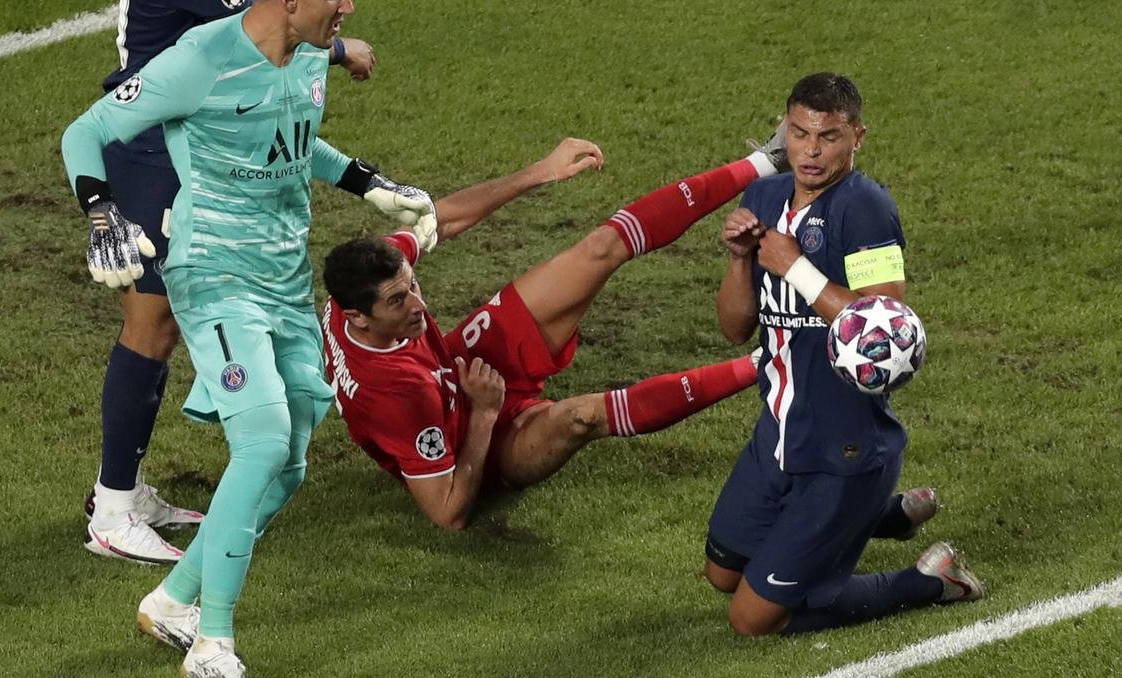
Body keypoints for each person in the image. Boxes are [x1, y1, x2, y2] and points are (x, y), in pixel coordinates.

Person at [62, 0, 434, 678]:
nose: (349, 6)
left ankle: (173, 598)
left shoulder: (303, 58)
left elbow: (295, 143)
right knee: (260, 436)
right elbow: (87, 131)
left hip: (282, 281)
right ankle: (212, 643)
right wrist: (102, 215)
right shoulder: (200, 59)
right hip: (212, 273)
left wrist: (372, 183)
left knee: (291, 456)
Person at [320, 130, 793, 530]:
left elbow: (441, 220)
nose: (420, 304)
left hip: (460, 366)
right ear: (358, 316)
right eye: (399, 301)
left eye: (414, 286)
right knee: (580, 417)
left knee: (600, 247)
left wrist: (540, 171)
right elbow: (447, 513)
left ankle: (764, 161)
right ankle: (770, 361)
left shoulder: (366, 276)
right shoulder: (395, 396)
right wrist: (485, 412)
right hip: (470, 439)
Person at [83, 0, 376, 565]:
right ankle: (113, 506)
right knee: (152, 323)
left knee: (157, 321)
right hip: (163, 141)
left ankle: (123, 493)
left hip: (160, 120)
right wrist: (339, 48)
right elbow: (269, 26)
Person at [704, 72, 983, 636]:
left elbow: (889, 329)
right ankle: (881, 515)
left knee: (753, 620)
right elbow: (736, 330)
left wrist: (795, 269)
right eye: (799, 132)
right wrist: (740, 260)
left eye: (828, 136)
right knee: (722, 573)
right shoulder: (763, 197)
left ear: (857, 137)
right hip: (779, 431)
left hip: (845, 447)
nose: (810, 150)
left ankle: (932, 580)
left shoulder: (865, 210)